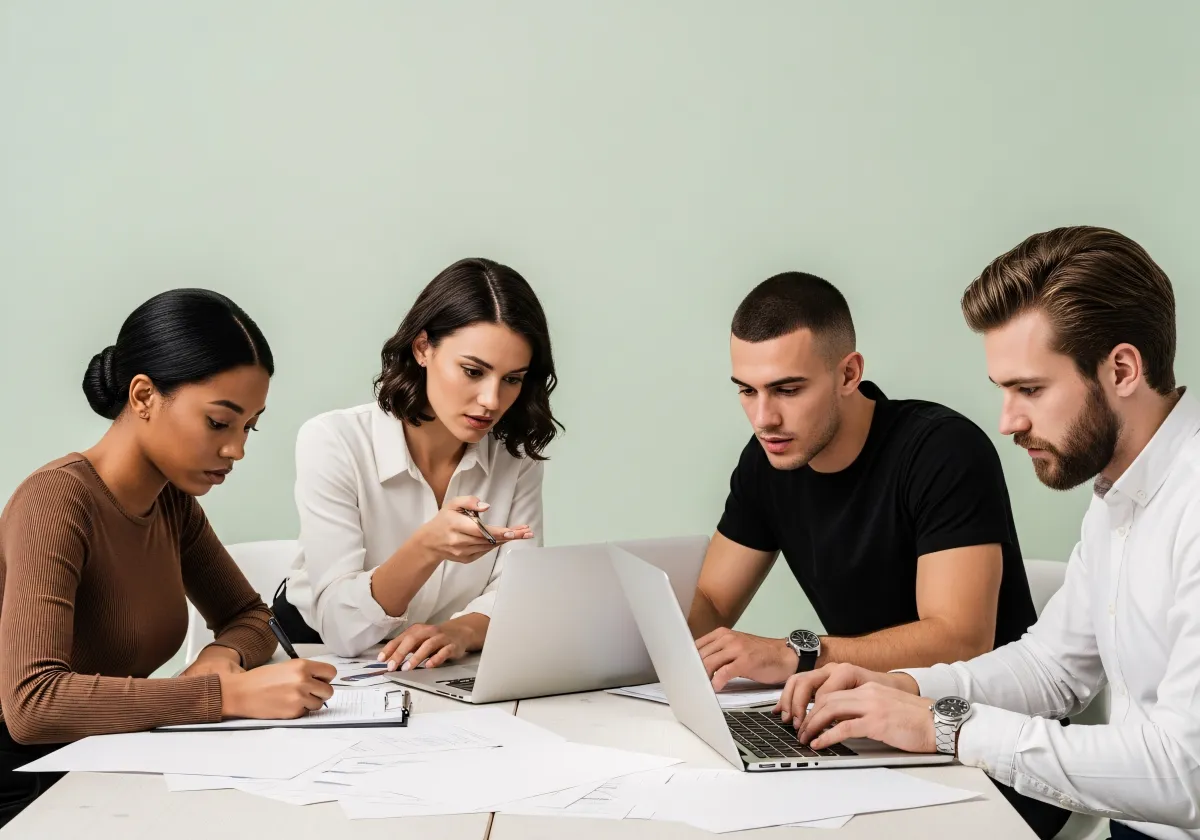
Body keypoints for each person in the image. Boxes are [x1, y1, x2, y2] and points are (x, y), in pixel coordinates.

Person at [777, 226, 1199, 840]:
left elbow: (1188, 774)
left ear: (1122, 369)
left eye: (1030, 389)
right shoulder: (1120, 491)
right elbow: (1053, 668)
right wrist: (904, 688)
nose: (1008, 421)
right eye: (1003, 390)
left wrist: (947, 727)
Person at [687, 271, 1068, 838]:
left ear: (849, 373)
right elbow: (713, 601)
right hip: (864, 731)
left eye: (788, 390)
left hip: (985, 751)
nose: (764, 418)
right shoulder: (768, 459)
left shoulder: (942, 449)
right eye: (747, 390)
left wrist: (799, 656)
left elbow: (961, 638)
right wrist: (655, 653)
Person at [0, 289, 337, 827]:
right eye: (219, 422)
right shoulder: (56, 501)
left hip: (107, 761)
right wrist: (220, 695)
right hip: (25, 788)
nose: (237, 449)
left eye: (248, 426)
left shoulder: (171, 503)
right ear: (143, 396)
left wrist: (222, 656)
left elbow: (250, 616)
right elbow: (32, 706)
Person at [273, 257, 561, 672]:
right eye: (473, 371)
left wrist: (460, 632)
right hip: (314, 658)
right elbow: (340, 627)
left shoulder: (514, 457)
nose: (491, 400)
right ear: (423, 348)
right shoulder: (334, 440)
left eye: (512, 379)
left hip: (435, 666)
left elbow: (517, 595)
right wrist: (427, 547)